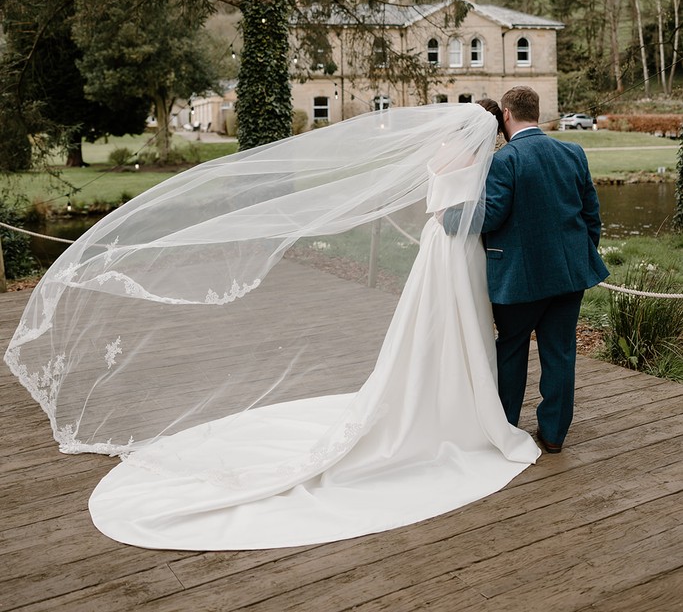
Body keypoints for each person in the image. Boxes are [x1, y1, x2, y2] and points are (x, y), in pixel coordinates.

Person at [5, 101, 540, 550]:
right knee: (457, 327)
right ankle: (461, 407)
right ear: (488, 130)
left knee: (432, 329)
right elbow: (480, 212)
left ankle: (446, 398)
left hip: (439, 249)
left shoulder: (444, 153)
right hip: (458, 250)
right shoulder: (481, 161)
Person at [443, 86, 609, 454]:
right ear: (536, 111)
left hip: (517, 279)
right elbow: (591, 217)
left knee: (512, 350)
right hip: (569, 277)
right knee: (560, 353)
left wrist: (447, 218)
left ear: (506, 114)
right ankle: (554, 434)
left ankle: (505, 428)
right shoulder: (573, 152)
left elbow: (491, 215)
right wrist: (577, 259)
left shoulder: (504, 160)